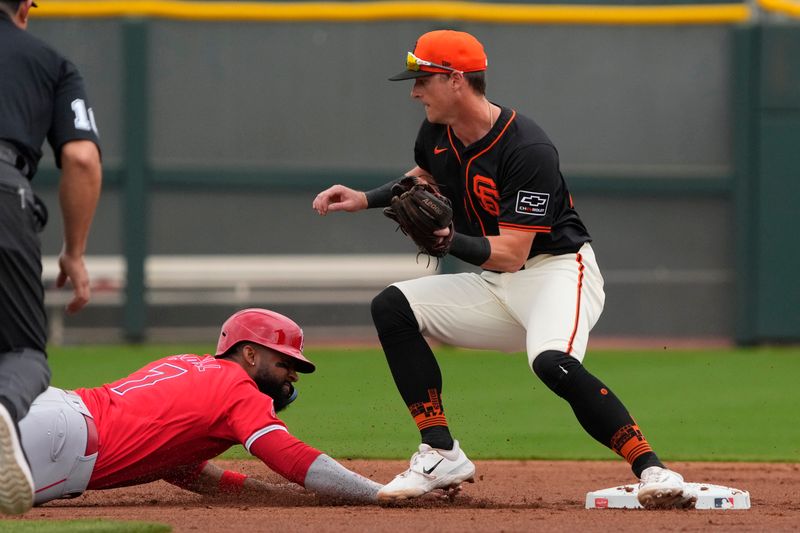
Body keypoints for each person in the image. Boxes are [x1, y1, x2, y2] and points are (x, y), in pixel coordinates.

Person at [313, 29, 693, 509]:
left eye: (422, 80)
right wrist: (365, 199)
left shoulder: (527, 148)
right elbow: (425, 177)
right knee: (393, 306)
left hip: (556, 272)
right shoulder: (435, 132)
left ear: (455, 79)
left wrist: (449, 241)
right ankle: (440, 452)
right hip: (497, 284)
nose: (414, 92)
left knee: (552, 363)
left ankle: (653, 469)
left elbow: (513, 252)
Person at [16, 308, 390, 507]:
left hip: (50, 408)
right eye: (285, 363)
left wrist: (275, 496)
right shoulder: (239, 389)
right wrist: (379, 492)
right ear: (249, 353)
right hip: (61, 443)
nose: (293, 374)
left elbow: (182, 469)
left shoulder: (186, 363)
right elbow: (293, 459)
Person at [0, 0, 103, 515]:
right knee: (22, 353)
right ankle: (2, 409)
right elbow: (81, 157)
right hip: (3, 191)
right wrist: (74, 253)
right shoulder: (49, 62)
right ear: (22, 8)